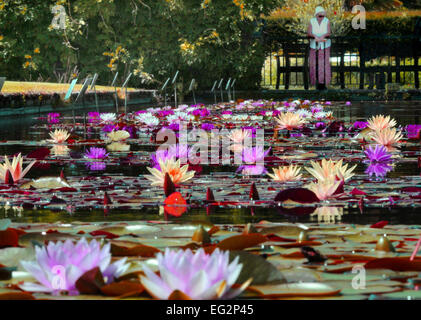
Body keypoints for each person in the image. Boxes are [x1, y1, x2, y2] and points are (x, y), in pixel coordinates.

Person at [308, 6, 331, 90]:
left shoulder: (327, 21)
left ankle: (323, 83)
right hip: (314, 45)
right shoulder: (311, 21)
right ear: (316, 15)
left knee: (324, 63)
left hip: (325, 45)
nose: (321, 17)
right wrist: (314, 36)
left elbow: (329, 32)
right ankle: (314, 82)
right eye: (320, 16)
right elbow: (309, 33)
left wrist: (323, 36)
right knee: (313, 63)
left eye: (323, 16)